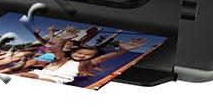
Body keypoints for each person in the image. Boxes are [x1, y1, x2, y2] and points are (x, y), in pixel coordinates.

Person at [15, 31, 147, 84]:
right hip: (40, 73)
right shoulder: (62, 58)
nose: (81, 55)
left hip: (55, 79)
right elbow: (58, 49)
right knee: (21, 76)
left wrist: (122, 50)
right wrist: (63, 38)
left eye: (86, 55)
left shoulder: (85, 64)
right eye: (78, 53)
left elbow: (104, 58)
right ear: (72, 52)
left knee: (41, 82)